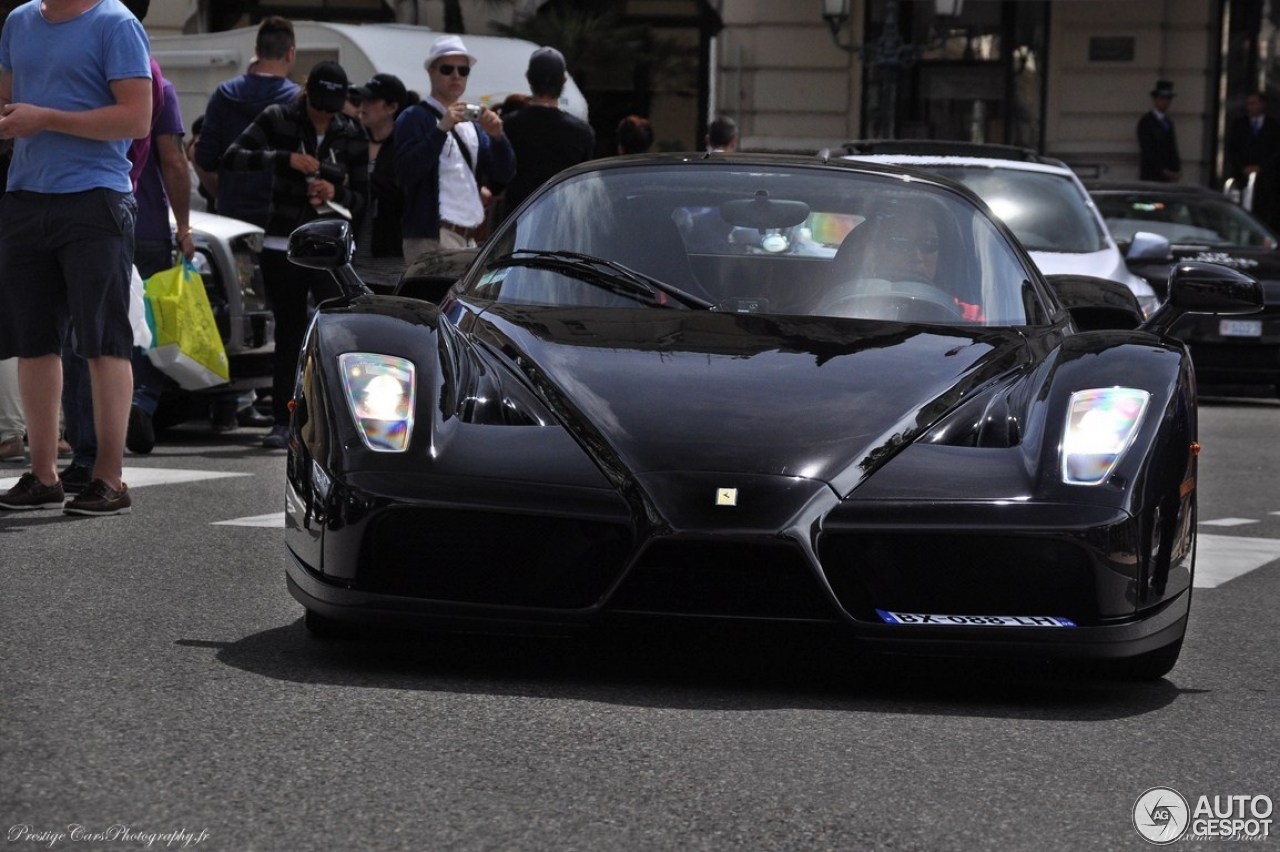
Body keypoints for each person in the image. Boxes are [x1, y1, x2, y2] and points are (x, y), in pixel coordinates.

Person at [0, 0, 152, 516]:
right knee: (34, 341)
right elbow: (7, 102)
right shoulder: (19, 21)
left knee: (104, 341)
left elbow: (137, 117)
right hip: (25, 196)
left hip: (96, 199)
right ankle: (42, 474)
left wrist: (45, 119)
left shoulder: (116, 22)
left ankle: (109, 477)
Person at [223, 60, 368, 450]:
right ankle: (281, 419)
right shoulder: (279, 117)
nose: (324, 114)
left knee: (336, 332)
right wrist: (284, 159)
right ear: (307, 96)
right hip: (282, 243)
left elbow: (366, 198)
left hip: (330, 247)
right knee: (288, 332)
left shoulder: (352, 132)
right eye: (319, 105)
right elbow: (232, 157)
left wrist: (337, 194)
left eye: (331, 108)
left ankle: (339, 420)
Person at [394, 34, 515, 262]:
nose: (456, 76)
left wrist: (499, 138)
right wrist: (440, 129)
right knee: (432, 298)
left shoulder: (472, 122)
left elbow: (503, 174)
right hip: (432, 236)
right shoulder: (414, 117)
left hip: (471, 238)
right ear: (431, 71)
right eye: (447, 69)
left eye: (463, 70)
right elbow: (405, 173)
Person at [194, 16, 298, 229]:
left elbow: (204, 157)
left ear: (257, 51)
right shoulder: (297, 100)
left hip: (232, 215)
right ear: (290, 53)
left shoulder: (223, 94)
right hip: (280, 219)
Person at [497, 47, 595, 222]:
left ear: (529, 79)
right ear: (564, 81)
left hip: (516, 225)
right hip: (561, 225)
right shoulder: (582, 132)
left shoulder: (507, 125)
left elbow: (497, 180)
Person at [351, 73, 417, 289]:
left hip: (392, 262)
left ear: (391, 108)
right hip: (352, 259)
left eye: (371, 101)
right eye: (361, 100)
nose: (363, 106)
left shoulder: (405, 146)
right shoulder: (353, 140)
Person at [1224, 90, 1280, 227]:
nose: (1250, 107)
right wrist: (1243, 167)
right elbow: (1232, 149)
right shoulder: (1239, 125)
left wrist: (1261, 167)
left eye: (1254, 103)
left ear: (1262, 105)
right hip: (1243, 178)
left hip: (1267, 180)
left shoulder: (1274, 125)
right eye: (1248, 104)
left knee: (1265, 213)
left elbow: (1276, 151)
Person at [1137, 79, 1181, 182]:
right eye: (1162, 98)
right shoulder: (1146, 122)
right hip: (1151, 175)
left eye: (1168, 99)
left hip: (1167, 177)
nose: (1165, 102)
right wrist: (1163, 170)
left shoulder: (1168, 122)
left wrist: (1176, 169)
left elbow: (1172, 147)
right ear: (1155, 99)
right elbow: (1147, 150)